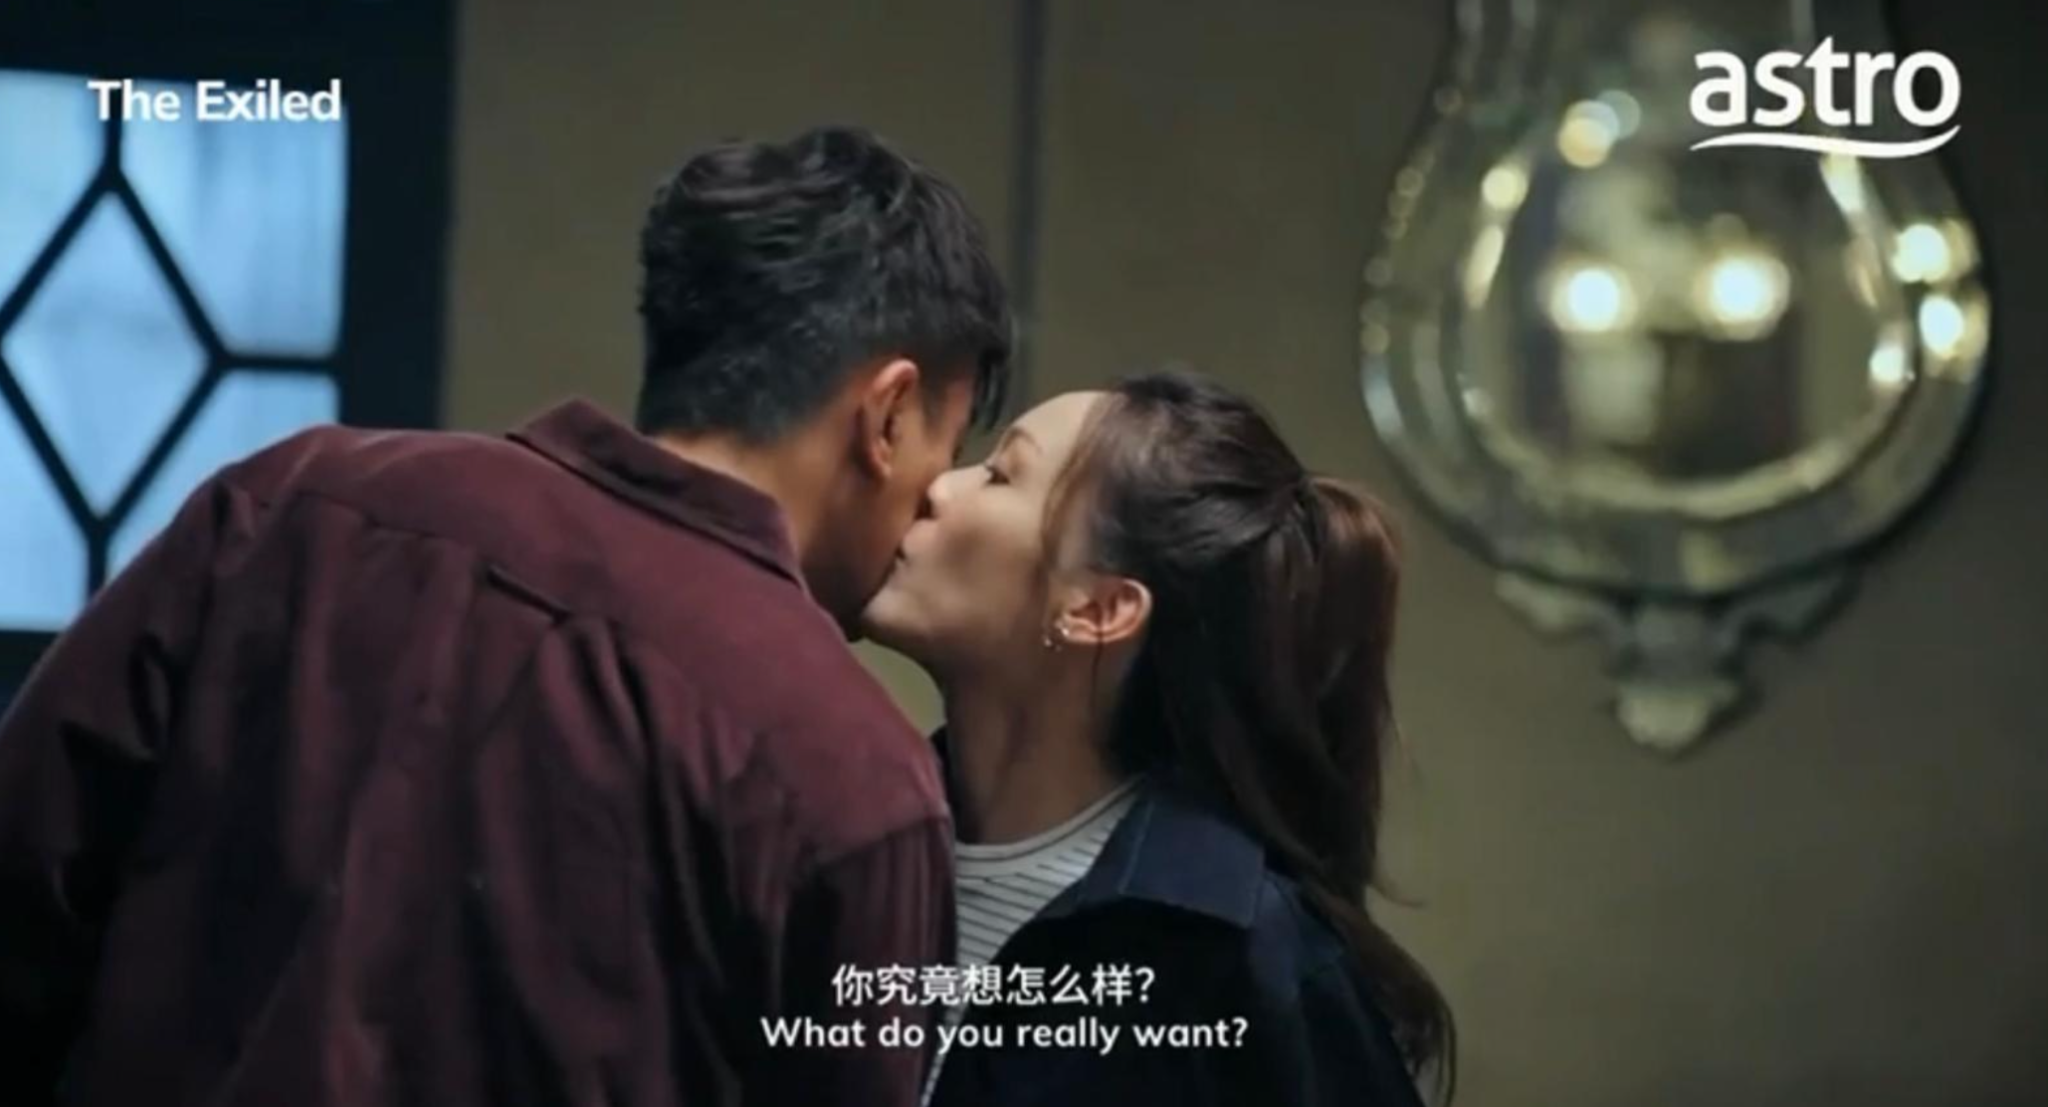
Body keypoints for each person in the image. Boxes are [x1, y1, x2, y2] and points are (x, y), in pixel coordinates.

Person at [0, 125, 1011, 1107]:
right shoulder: (851, 775)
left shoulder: (291, 505)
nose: (938, 493)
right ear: (887, 414)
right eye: (951, 444)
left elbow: (24, 877)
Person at [862, 371, 1454, 1106]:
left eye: (999, 474)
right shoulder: (842, 838)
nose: (937, 488)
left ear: (1099, 609)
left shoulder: (1231, 951)